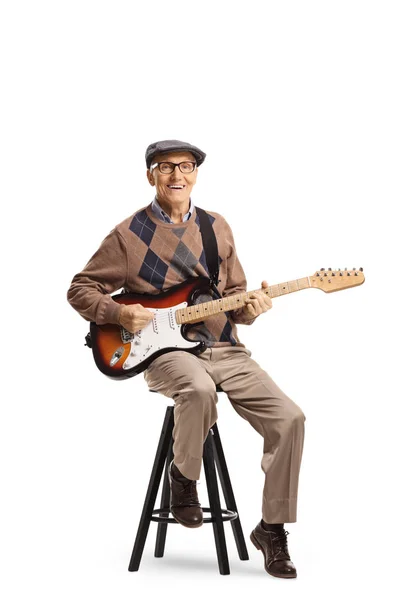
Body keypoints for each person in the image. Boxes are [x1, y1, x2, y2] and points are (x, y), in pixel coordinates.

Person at [67, 139, 306, 579]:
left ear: (196, 173)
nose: (177, 175)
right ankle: (184, 479)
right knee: (196, 390)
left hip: (225, 348)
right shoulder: (127, 235)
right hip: (167, 353)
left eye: (187, 166)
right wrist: (119, 313)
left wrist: (248, 309)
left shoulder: (217, 227)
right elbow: (80, 289)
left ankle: (272, 528)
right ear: (150, 175)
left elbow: (234, 297)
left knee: (290, 417)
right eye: (165, 167)